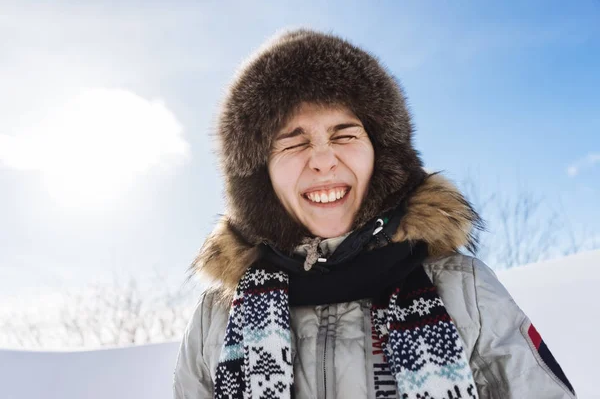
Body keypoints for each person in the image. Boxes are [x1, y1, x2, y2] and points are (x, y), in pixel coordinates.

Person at [173, 29, 576, 399]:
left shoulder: (464, 289)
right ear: (261, 176)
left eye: (344, 135)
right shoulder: (217, 318)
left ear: (380, 155)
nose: (323, 160)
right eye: (294, 143)